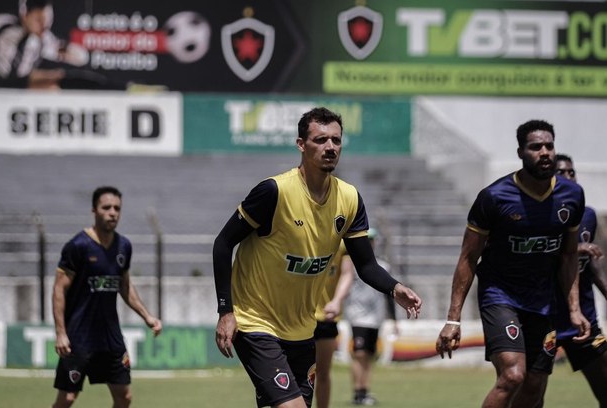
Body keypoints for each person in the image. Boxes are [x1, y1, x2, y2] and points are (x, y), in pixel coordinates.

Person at [213, 107, 422, 408]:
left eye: (336, 141)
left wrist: (395, 288)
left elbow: (365, 264)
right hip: (256, 322)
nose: (330, 148)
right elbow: (223, 243)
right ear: (301, 144)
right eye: (321, 140)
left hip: (302, 329)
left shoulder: (349, 198)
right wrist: (226, 311)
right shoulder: (274, 192)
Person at [435, 119, 591, 408]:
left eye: (549, 146)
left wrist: (574, 309)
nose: (544, 152)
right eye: (535, 147)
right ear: (520, 153)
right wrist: (452, 319)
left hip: (543, 302)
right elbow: (468, 258)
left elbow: (569, 255)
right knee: (513, 375)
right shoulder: (494, 198)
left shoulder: (572, 195)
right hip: (500, 297)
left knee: (534, 389)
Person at [51, 186, 162, 408]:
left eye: (117, 208)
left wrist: (147, 316)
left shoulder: (124, 246)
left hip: (110, 338)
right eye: (106, 207)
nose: (112, 212)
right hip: (78, 337)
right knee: (67, 399)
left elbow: (125, 286)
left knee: (124, 397)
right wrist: (61, 333)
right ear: (94, 210)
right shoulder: (78, 246)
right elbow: (58, 290)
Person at [554, 153, 607, 406]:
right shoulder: (538, 216)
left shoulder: (588, 215)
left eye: (571, 172)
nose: (568, 177)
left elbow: (592, 269)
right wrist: (574, 248)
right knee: (530, 393)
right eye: (560, 172)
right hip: (544, 318)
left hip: (584, 321)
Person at [0, 0, 87, 89]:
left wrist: (64, 48)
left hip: (20, 85)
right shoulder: (3, 25)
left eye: (47, 20)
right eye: (38, 20)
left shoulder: (44, 39)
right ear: (25, 14)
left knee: (56, 79)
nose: (44, 25)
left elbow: (81, 58)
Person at [345, 228, 396, 406]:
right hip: (357, 315)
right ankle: (357, 392)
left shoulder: (383, 266)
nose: (370, 243)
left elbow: (390, 294)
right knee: (359, 354)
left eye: (372, 239)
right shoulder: (351, 264)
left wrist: (394, 319)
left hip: (376, 318)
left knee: (369, 356)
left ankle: (364, 390)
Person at [313, 241, 354, 408]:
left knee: (322, 373)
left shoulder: (342, 240)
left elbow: (347, 273)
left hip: (325, 316)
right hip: (294, 316)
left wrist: (337, 301)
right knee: (294, 373)